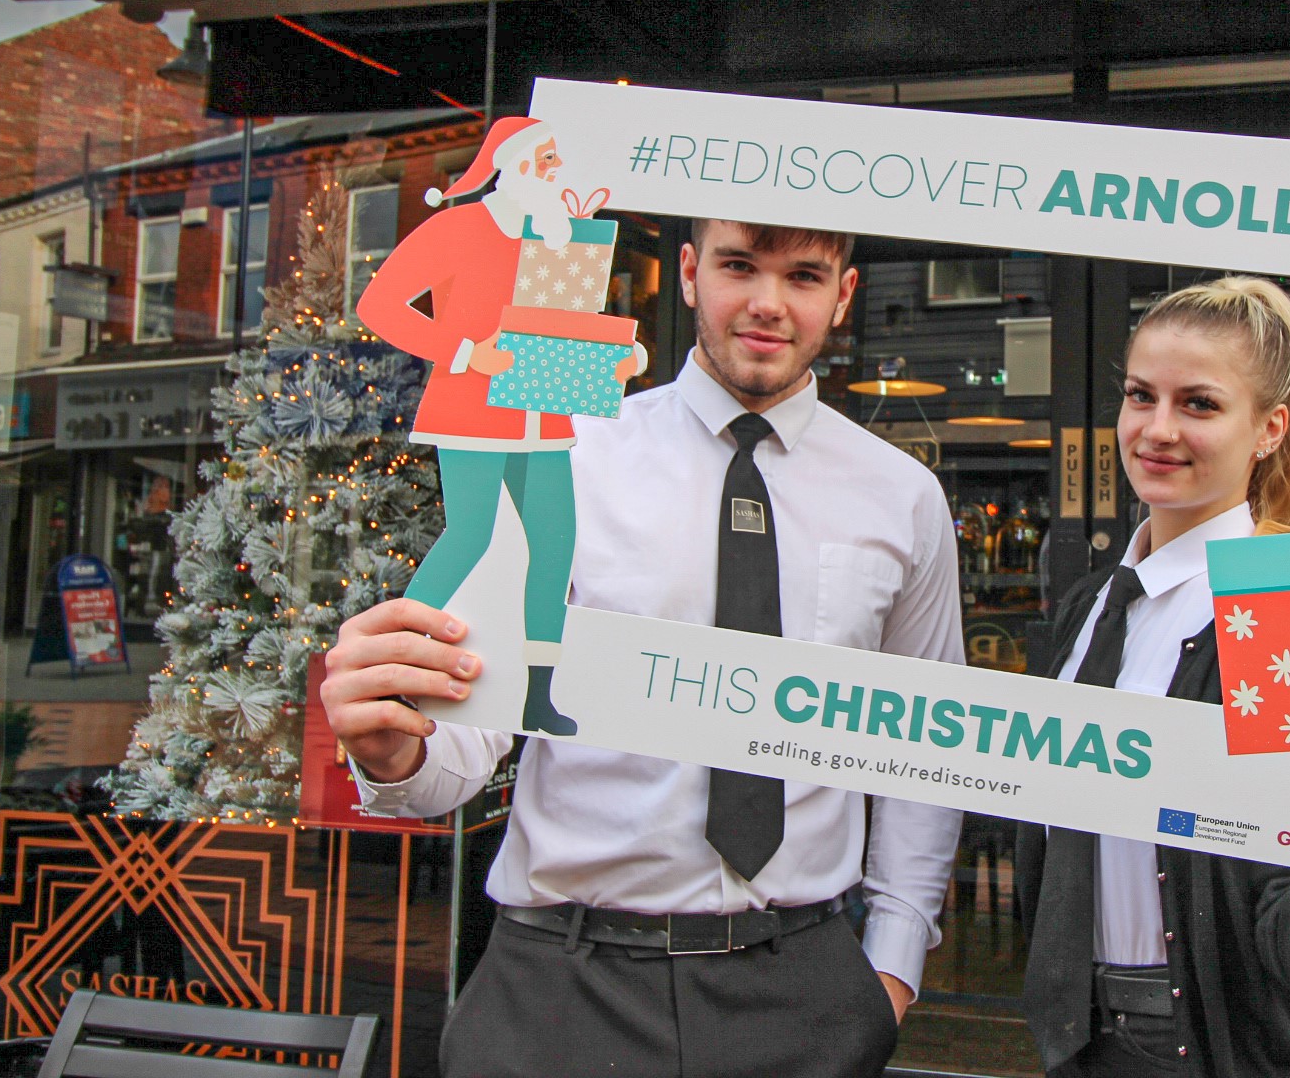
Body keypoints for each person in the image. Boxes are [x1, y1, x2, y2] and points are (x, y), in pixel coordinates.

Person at [323, 216, 964, 1078]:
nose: (768, 304)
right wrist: (395, 751)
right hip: (561, 989)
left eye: (804, 276)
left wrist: (891, 968)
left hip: (803, 990)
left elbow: (923, 744)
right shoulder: (566, 459)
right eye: (740, 266)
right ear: (692, 273)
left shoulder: (904, 497)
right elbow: (461, 751)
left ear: (844, 295)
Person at [1016, 276, 1290, 1078]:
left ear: (1269, 429)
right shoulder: (1086, 606)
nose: (1157, 429)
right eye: (1141, 395)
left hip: (1224, 1051)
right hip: (1076, 1043)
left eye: (1200, 404)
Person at [354, 115, 648, 735]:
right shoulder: (457, 228)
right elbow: (378, 305)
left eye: (554, 160)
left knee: (554, 548)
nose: (554, 171)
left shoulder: (559, 240)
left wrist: (615, 360)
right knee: (469, 537)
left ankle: (538, 695)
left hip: (543, 415)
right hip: (472, 416)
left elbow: (565, 333)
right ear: (511, 167)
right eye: (544, 160)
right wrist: (464, 351)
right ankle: (396, 665)